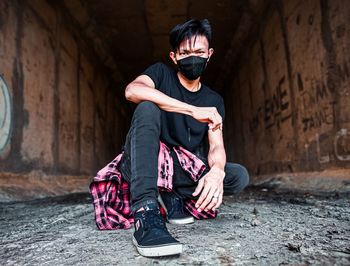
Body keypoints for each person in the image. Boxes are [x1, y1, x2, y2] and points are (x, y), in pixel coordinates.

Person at [91, 18, 249, 258]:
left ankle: (171, 194)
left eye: (199, 52)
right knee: (147, 107)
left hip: (179, 169)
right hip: (145, 162)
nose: (192, 57)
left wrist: (217, 171)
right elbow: (132, 90)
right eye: (185, 53)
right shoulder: (160, 74)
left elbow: (216, 146)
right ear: (174, 57)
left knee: (236, 175)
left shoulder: (214, 101)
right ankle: (146, 213)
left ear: (209, 54)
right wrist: (191, 109)